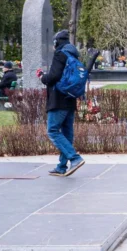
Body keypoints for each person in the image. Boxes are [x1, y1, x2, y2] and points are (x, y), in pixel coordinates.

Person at [36, 30, 85, 177]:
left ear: (57, 42)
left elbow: (54, 76)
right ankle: (62, 166)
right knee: (67, 133)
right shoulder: (73, 54)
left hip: (58, 99)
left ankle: (75, 158)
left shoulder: (60, 54)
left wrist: (42, 77)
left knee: (52, 130)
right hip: (70, 98)